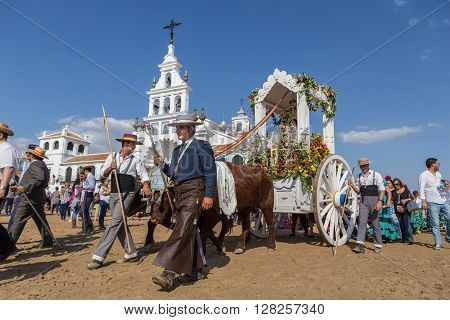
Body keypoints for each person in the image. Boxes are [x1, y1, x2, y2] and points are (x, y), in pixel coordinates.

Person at [152, 114, 216, 289]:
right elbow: (173, 174)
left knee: (182, 229)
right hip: (179, 193)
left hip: (195, 190)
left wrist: (209, 195)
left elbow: (210, 171)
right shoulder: (176, 151)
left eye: (180, 127)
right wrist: (162, 165)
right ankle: (193, 271)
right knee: (189, 229)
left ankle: (169, 272)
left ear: (190, 129)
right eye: (177, 128)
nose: (177, 130)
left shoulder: (202, 145)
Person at [87, 133, 151, 270]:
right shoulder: (112, 156)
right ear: (125, 144)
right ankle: (131, 252)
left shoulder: (136, 160)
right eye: (133, 144)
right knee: (120, 223)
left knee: (115, 222)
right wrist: (111, 168)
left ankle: (99, 256)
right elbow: (102, 174)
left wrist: (145, 185)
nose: (134, 147)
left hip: (128, 193)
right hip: (114, 193)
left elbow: (144, 174)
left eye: (135, 145)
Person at [9, 146, 53, 248]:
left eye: (28, 153)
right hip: (38, 196)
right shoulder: (42, 165)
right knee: (41, 220)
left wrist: (25, 188)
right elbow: (42, 181)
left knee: (18, 220)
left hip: (30, 198)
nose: (27, 155)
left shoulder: (35, 164)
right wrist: (19, 187)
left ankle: (8, 246)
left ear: (32, 156)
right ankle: (48, 240)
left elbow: (39, 179)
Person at [348, 157, 385, 253]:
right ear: (360, 166)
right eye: (361, 166)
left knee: (375, 223)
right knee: (362, 222)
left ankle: (378, 245)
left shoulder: (376, 174)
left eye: (365, 165)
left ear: (368, 165)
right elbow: (358, 191)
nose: (363, 167)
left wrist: (380, 201)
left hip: (374, 200)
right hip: (363, 200)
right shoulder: (359, 176)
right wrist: (352, 185)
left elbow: (382, 189)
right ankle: (359, 244)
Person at [419, 158, 450, 249]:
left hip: (443, 201)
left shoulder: (439, 174)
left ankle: (448, 236)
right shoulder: (423, 175)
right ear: (433, 165)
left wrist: (445, 185)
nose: (439, 164)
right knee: (435, 224)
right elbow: (421, 189)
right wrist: (423, 201)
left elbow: (441, 185)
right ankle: (438, 243)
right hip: (432, 202)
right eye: (438, 163)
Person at [0, 122, 19, 262]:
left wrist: (2, 187)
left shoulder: (6, 148)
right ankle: (7, 246)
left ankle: (7, 246)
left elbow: (8, 168)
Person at [369, 177, 401, 242]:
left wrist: (388, 201)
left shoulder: (383, 183)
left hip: (384, 203)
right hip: (376, 202)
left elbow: (389, 193)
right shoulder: (372, 185)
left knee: (384, 220)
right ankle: (378, 235)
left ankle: (385, 236)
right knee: (376, 219)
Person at [392, 178, 414, 244]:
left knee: (407, 224)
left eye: (397, 184)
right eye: (394, 184)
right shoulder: (393, 192)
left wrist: (406, 200)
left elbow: (412, 198)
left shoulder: (405, 190)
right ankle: (404, 238)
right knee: (401, 225)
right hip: (398, 210)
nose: (396, 186)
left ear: (400, 184)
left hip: (406, 209)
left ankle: (410, 239)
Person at [80, 165, 95, 234]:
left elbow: (92, 186)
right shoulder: (88, 177)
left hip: (89, 195)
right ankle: (86, 227)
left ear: (86, 171)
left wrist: (83, 186)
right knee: (83, 211)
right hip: (87, 194)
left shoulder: (90, 176)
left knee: (83, 211)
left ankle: (88, 227)